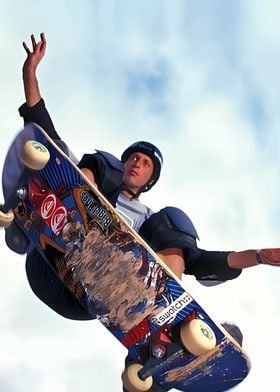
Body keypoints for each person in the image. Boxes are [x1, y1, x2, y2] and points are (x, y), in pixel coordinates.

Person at [8, 33, 280, 391]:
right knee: (89, 163)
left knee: (172, 220)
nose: (137, 163)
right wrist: (31, 73)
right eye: (134, 157)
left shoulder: (150, 221)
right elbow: (41, 123)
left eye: (146, 163)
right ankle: (60, 205)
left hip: (91, 294)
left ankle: (158, 330)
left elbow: (205, 260)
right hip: (49, 259)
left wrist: (259, 256)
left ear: (150, 178)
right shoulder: (106, 170)